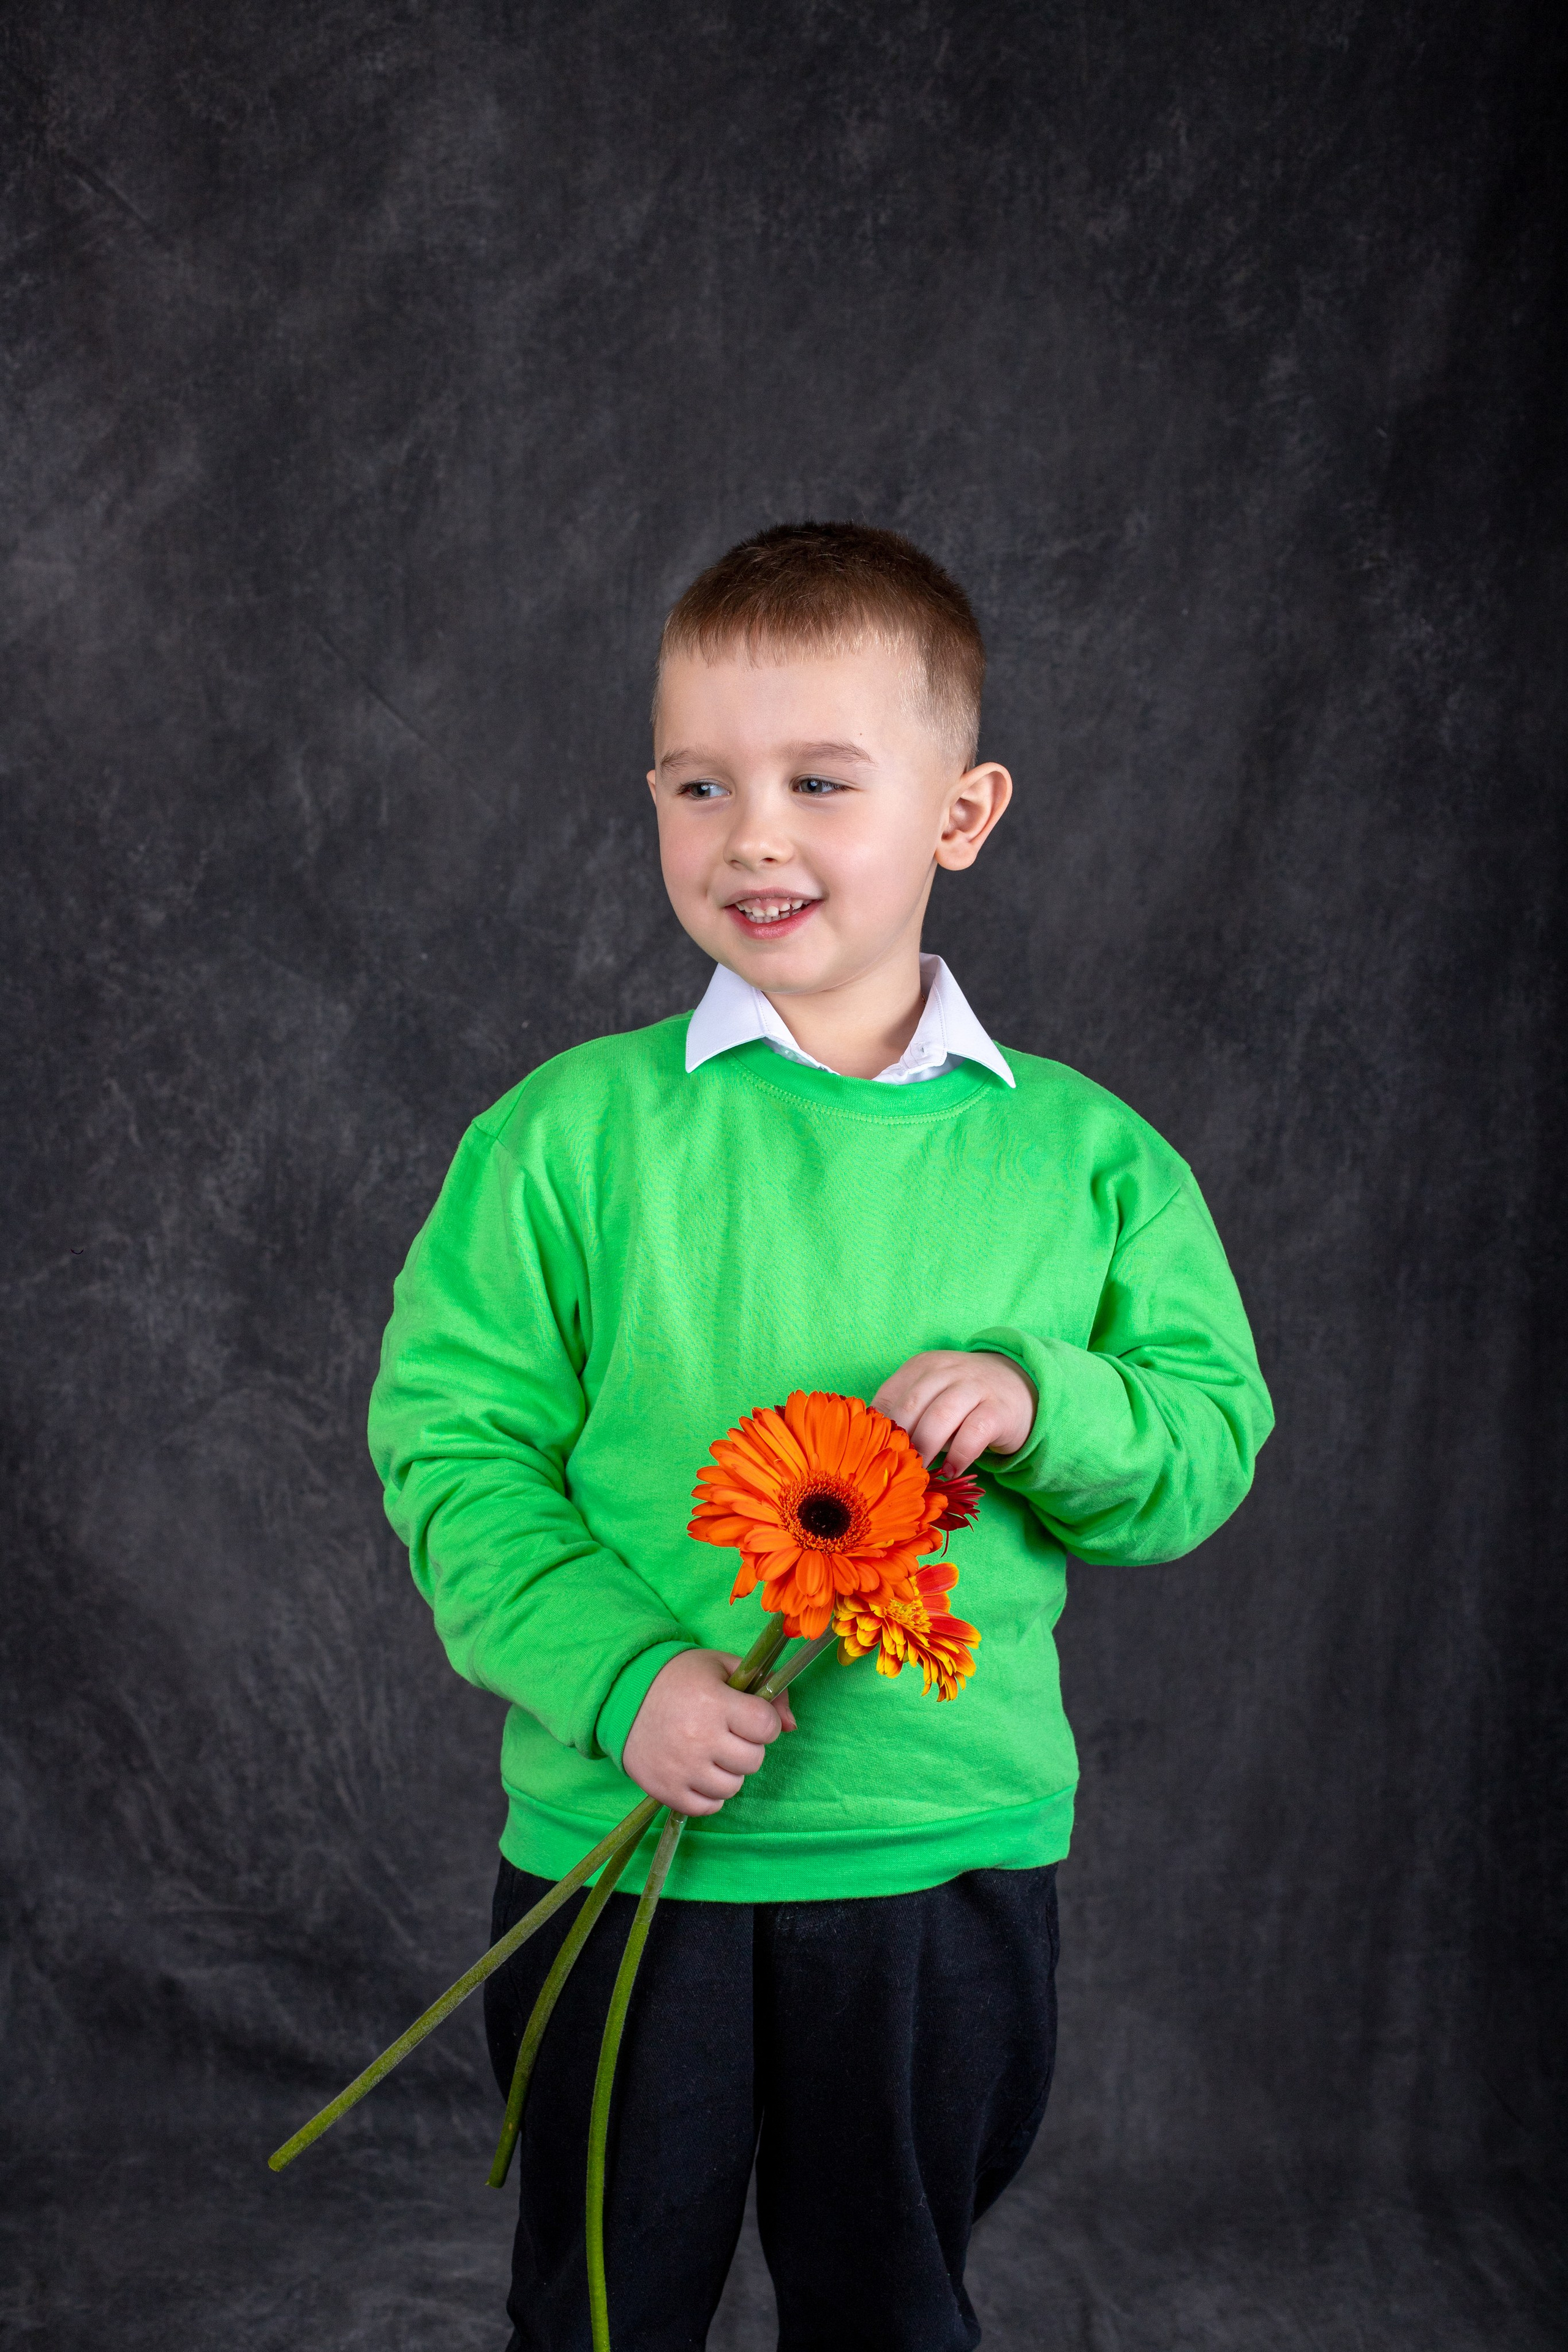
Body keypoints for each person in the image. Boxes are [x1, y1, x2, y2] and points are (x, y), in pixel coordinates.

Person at [367, 521, 1273, 2351]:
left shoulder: (1089, 1161)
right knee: (605, 2300)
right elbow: (452, 1448)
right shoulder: (568, 1138)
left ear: (962, 812)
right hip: (631, 1855)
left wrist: (1047, 1399)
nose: (752, 834)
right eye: (701, 784)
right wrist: (624, 1679)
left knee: (892, 2298)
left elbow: (1205, 1441)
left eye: (819, 782)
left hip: (941, 1861)